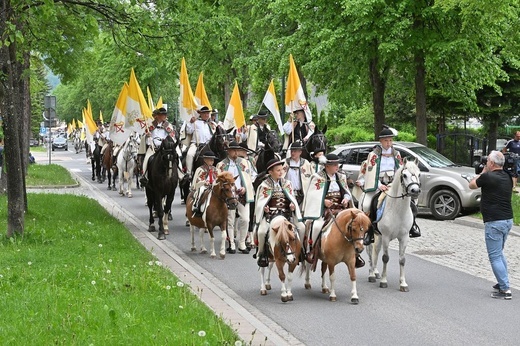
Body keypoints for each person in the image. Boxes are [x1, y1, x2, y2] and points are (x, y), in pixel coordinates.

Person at [353, 127, 421, 244]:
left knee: (412, 202)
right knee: (367, 204)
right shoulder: (373, 155)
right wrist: (379, 185)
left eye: (390, 140)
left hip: (392, 184)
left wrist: (393, 184)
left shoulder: (396, 154)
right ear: (381, 141)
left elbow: (399, 171)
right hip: (377, 184)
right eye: (386, 141)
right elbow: (371, 172)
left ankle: (412, 225)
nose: (388, 143)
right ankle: (369, 231)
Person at [301, 154, 363, 267]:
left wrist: (346, 198)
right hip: (324, 209)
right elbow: (312, 195)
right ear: (327, 166)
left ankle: (356, 253)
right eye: (334, 165)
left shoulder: (340, 176)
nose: (337, 167)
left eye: (337, 164)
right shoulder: (317, 177)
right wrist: (323, 201)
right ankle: (311, 250)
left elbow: (346, 191)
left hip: (340, 208)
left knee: (356, 224)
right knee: (315, 226)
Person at [469, 150, 514, 300]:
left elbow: (472, 185)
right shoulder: (507, 176)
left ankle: (505, 289)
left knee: (494, 256)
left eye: (487, 161)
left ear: (492, 163)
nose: (486, 162)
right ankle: (502, 282)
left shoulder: (487, 176)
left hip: (494, 221)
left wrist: (483, 171)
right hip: (507, 220)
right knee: (499, 253)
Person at [254, 158, 303, 267]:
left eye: (282, 170)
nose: (281, 172)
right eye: (278, 170)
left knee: (302, 227)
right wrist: (264, 208)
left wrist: (292, 206)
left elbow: (292, 198)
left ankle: (301, 251)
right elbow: (260, 202)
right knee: (261, 231)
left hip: (286, 215)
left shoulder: (287, 184)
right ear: (270, 172)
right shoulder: (264, 185)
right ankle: (261, 253)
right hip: (270, 216)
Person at [216, 141, 255, 254]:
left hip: (241, 194)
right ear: (228, 151)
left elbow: (251, 176)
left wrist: (245, 187)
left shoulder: (245, 163)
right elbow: (218, 181)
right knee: (230, 220)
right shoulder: (221, 165)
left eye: (237, 150)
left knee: (245, 219)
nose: (236, 152)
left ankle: (242, 242)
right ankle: (231, 243)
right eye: (233, 150)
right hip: (229, 195)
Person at [139, 107, 176, 186]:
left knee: (176, 157)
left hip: (165, 149)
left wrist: (170, 136)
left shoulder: (168, 125)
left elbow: (172, 136)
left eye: (165, 115)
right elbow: (144, 137)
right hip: (153, 148)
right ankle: (144, 176)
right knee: (147, 159)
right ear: (157, 115)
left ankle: (180, 174)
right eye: (162, 114)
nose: (164, 116)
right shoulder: (150, 125)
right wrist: (147, 135)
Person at [185, 106, 214, 176]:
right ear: (200, 114)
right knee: (190, 154)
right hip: (196, 144)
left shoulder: (210, 124)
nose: (206, 115)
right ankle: (188, 173)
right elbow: (188, 131)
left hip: (208, 146)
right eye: (204, 113)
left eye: (207, 113)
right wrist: (191, 122)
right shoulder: (196, 122)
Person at [282, 141, 312, 207]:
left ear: (300, 152)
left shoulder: (306, 163)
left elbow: (311, 178)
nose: (292, 153)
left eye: (295, 151)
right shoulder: (284, 162)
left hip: (302, 194)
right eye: (291, 151)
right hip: (288, 194)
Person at [191, 151, 218, 216]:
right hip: (204, 186)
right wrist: (204, 182)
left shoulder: (215, 169)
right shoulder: (200, 169)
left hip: (213, 186)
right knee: (201, 190)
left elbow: (217, 178)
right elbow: (197, 180)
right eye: (210, 159)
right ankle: (196, 205)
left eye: (213, 160)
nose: (212, 161)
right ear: (205, 159)